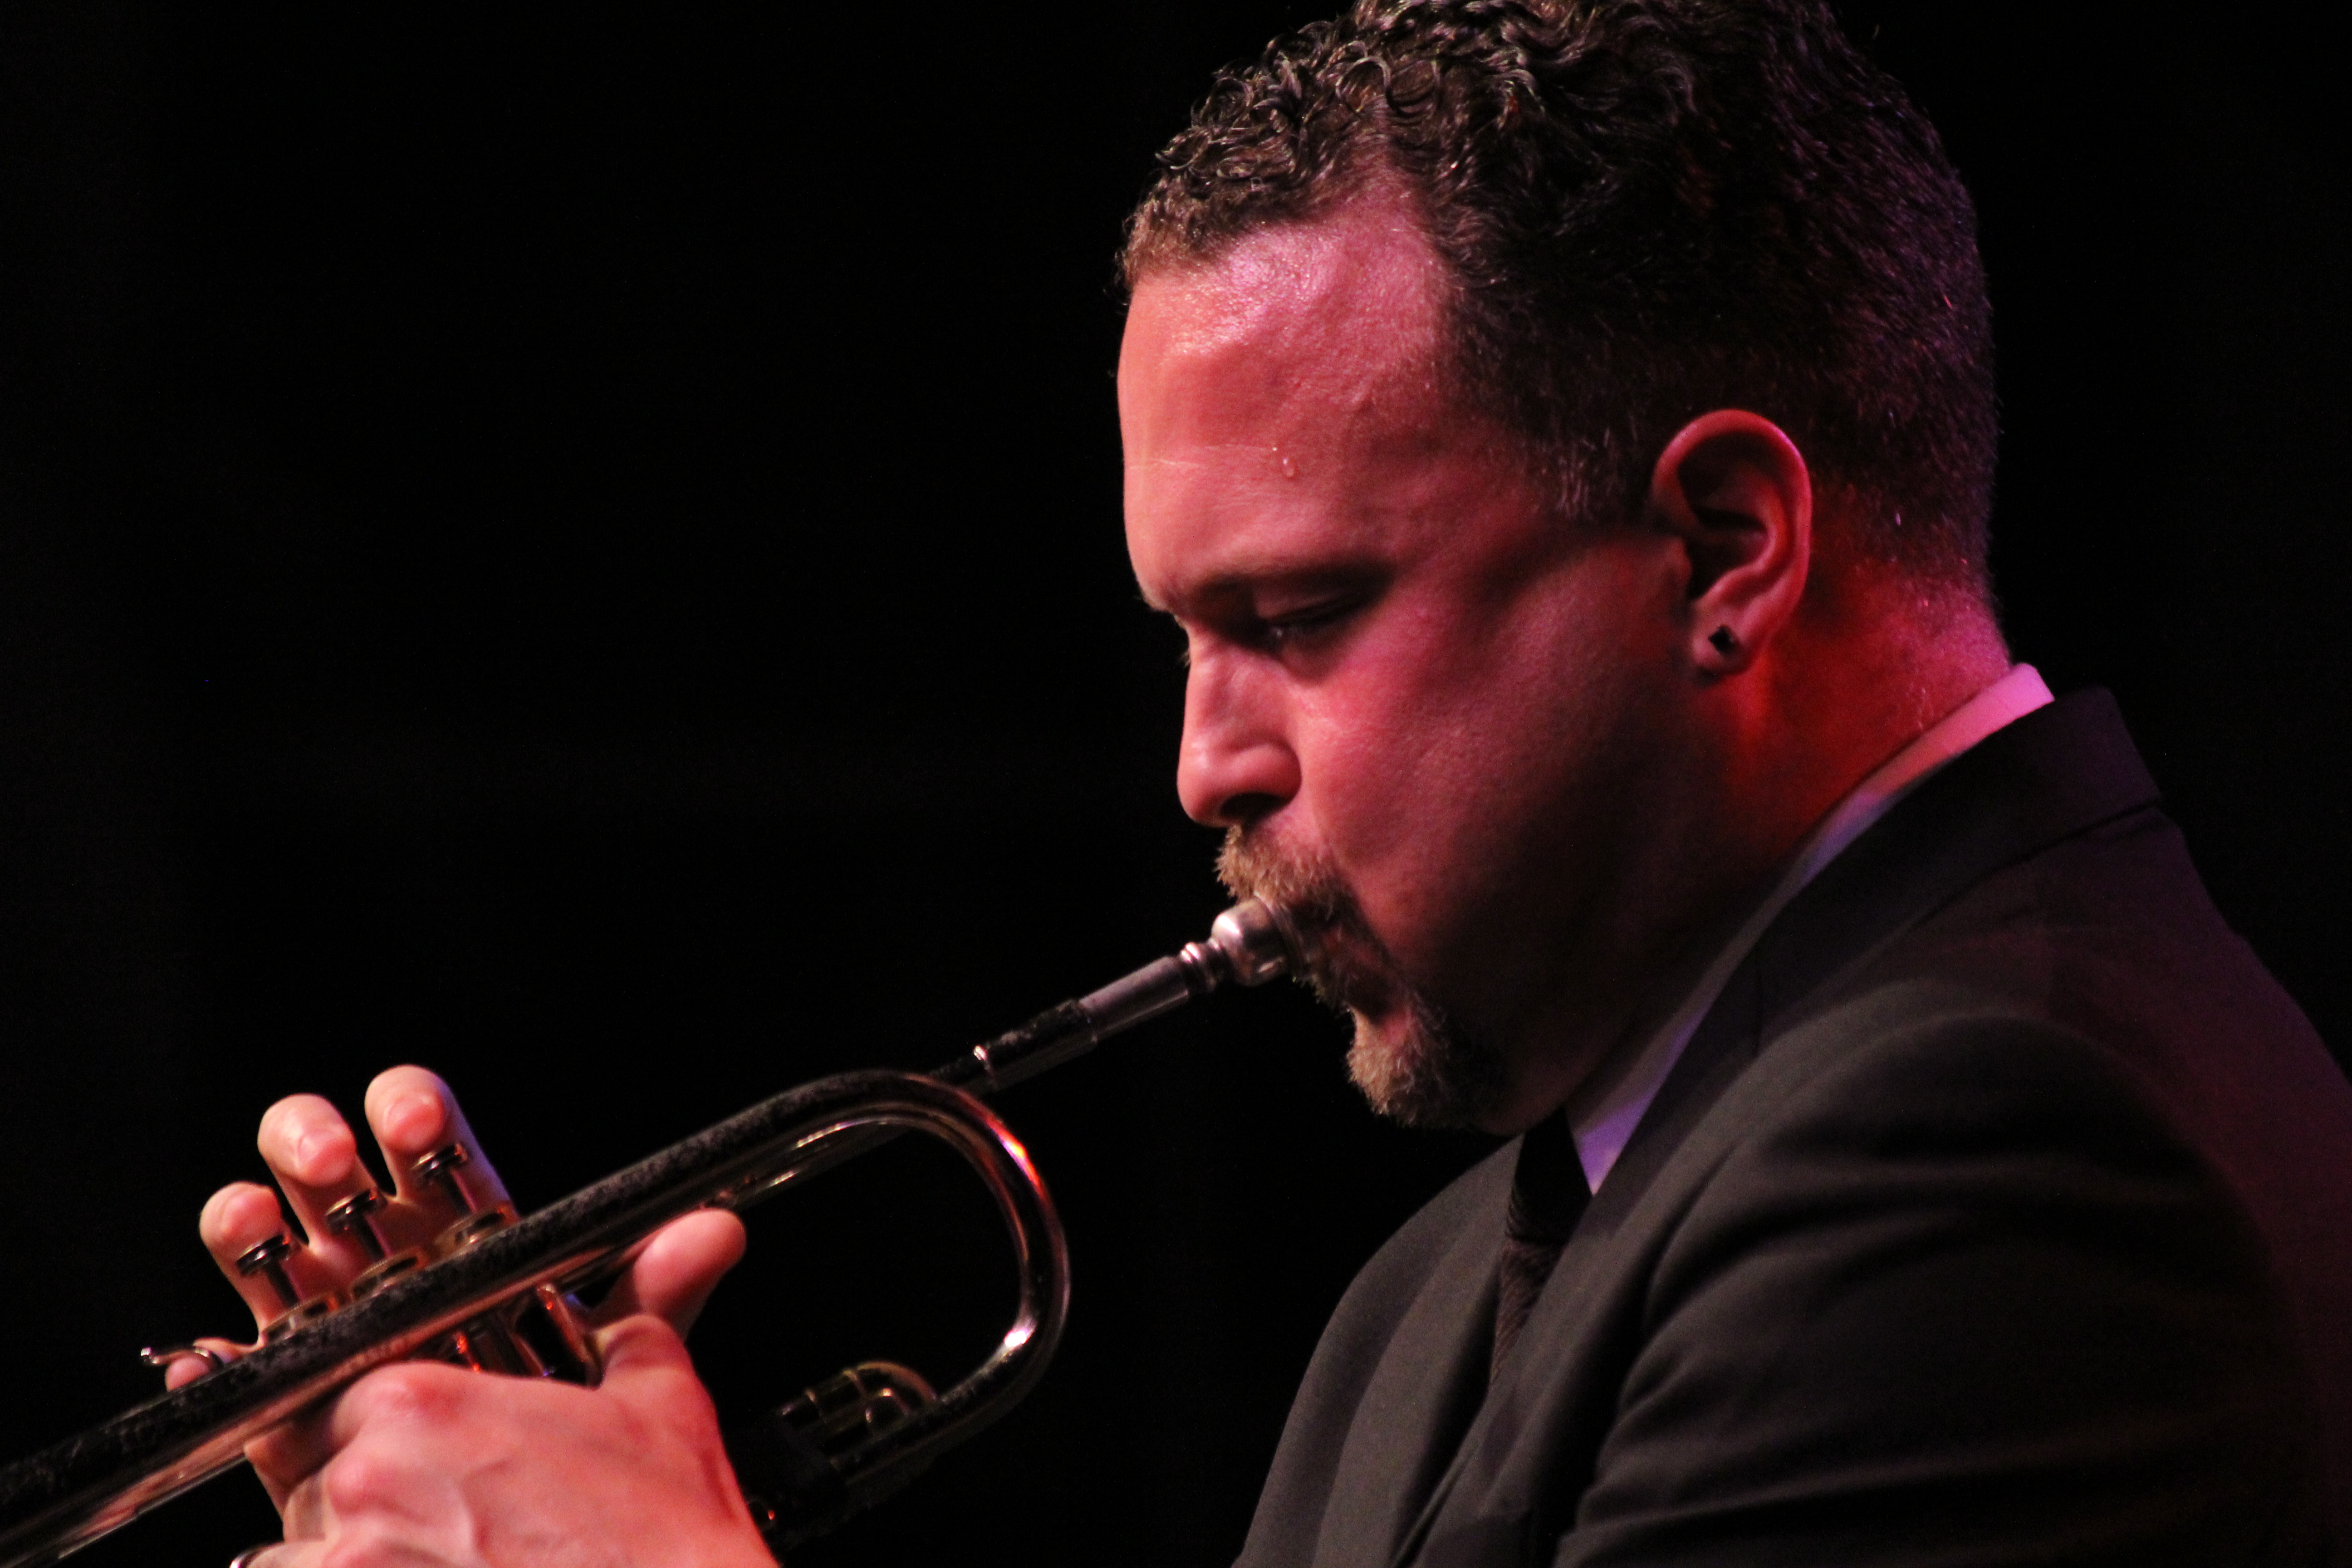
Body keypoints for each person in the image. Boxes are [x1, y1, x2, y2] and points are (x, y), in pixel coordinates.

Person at [175, 1, 2352, 1563]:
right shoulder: (1449, 1285)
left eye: (1297, 616)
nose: (1202, 760)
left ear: (1721, 551)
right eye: (1183, 637)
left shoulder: (2002, 1151)